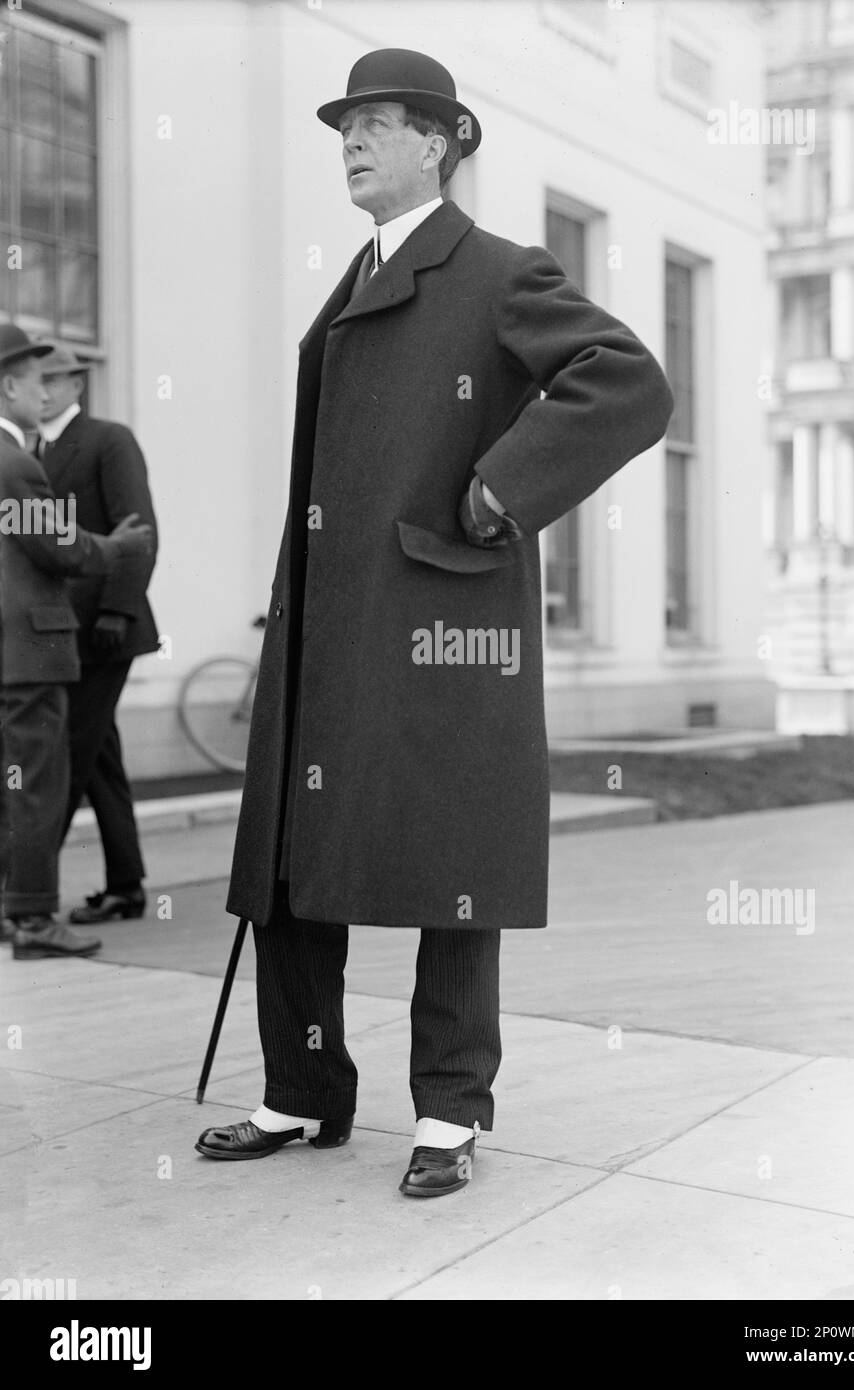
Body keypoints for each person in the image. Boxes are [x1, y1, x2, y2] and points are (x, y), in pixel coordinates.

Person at [196, 49, 673, 1196]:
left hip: (442, 620)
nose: (353, 142)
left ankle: (449, 1115)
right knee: (290, 855)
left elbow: (628, 381)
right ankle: (302, 1091)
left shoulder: (500, 271)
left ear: (441, 144)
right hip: (328, 620)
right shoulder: (351, 280)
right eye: (345, 126)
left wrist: (504, 487)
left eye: (379, 123)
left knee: (452, 859)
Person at [0, 325, 153, 960]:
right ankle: (32, 919)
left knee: (53, 769)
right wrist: (114, 548)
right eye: (38, 381)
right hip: (33, 650)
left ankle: (104, 887)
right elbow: (57, 544)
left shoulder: (82, 444)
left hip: (37, 645)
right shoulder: (14, 461)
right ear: (9, 386)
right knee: (39, 781)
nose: (47, 392)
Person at [38, 347, 160, 925]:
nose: (41, 390)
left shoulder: (109, 439)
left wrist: (117, 608)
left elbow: (138, 530)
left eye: (52, 379)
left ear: (74, 384)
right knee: (99, 758)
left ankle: (24, 893)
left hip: (105, 632)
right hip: (63, 632)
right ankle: (127, 886)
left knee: (65, 754)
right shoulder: (34, 451)